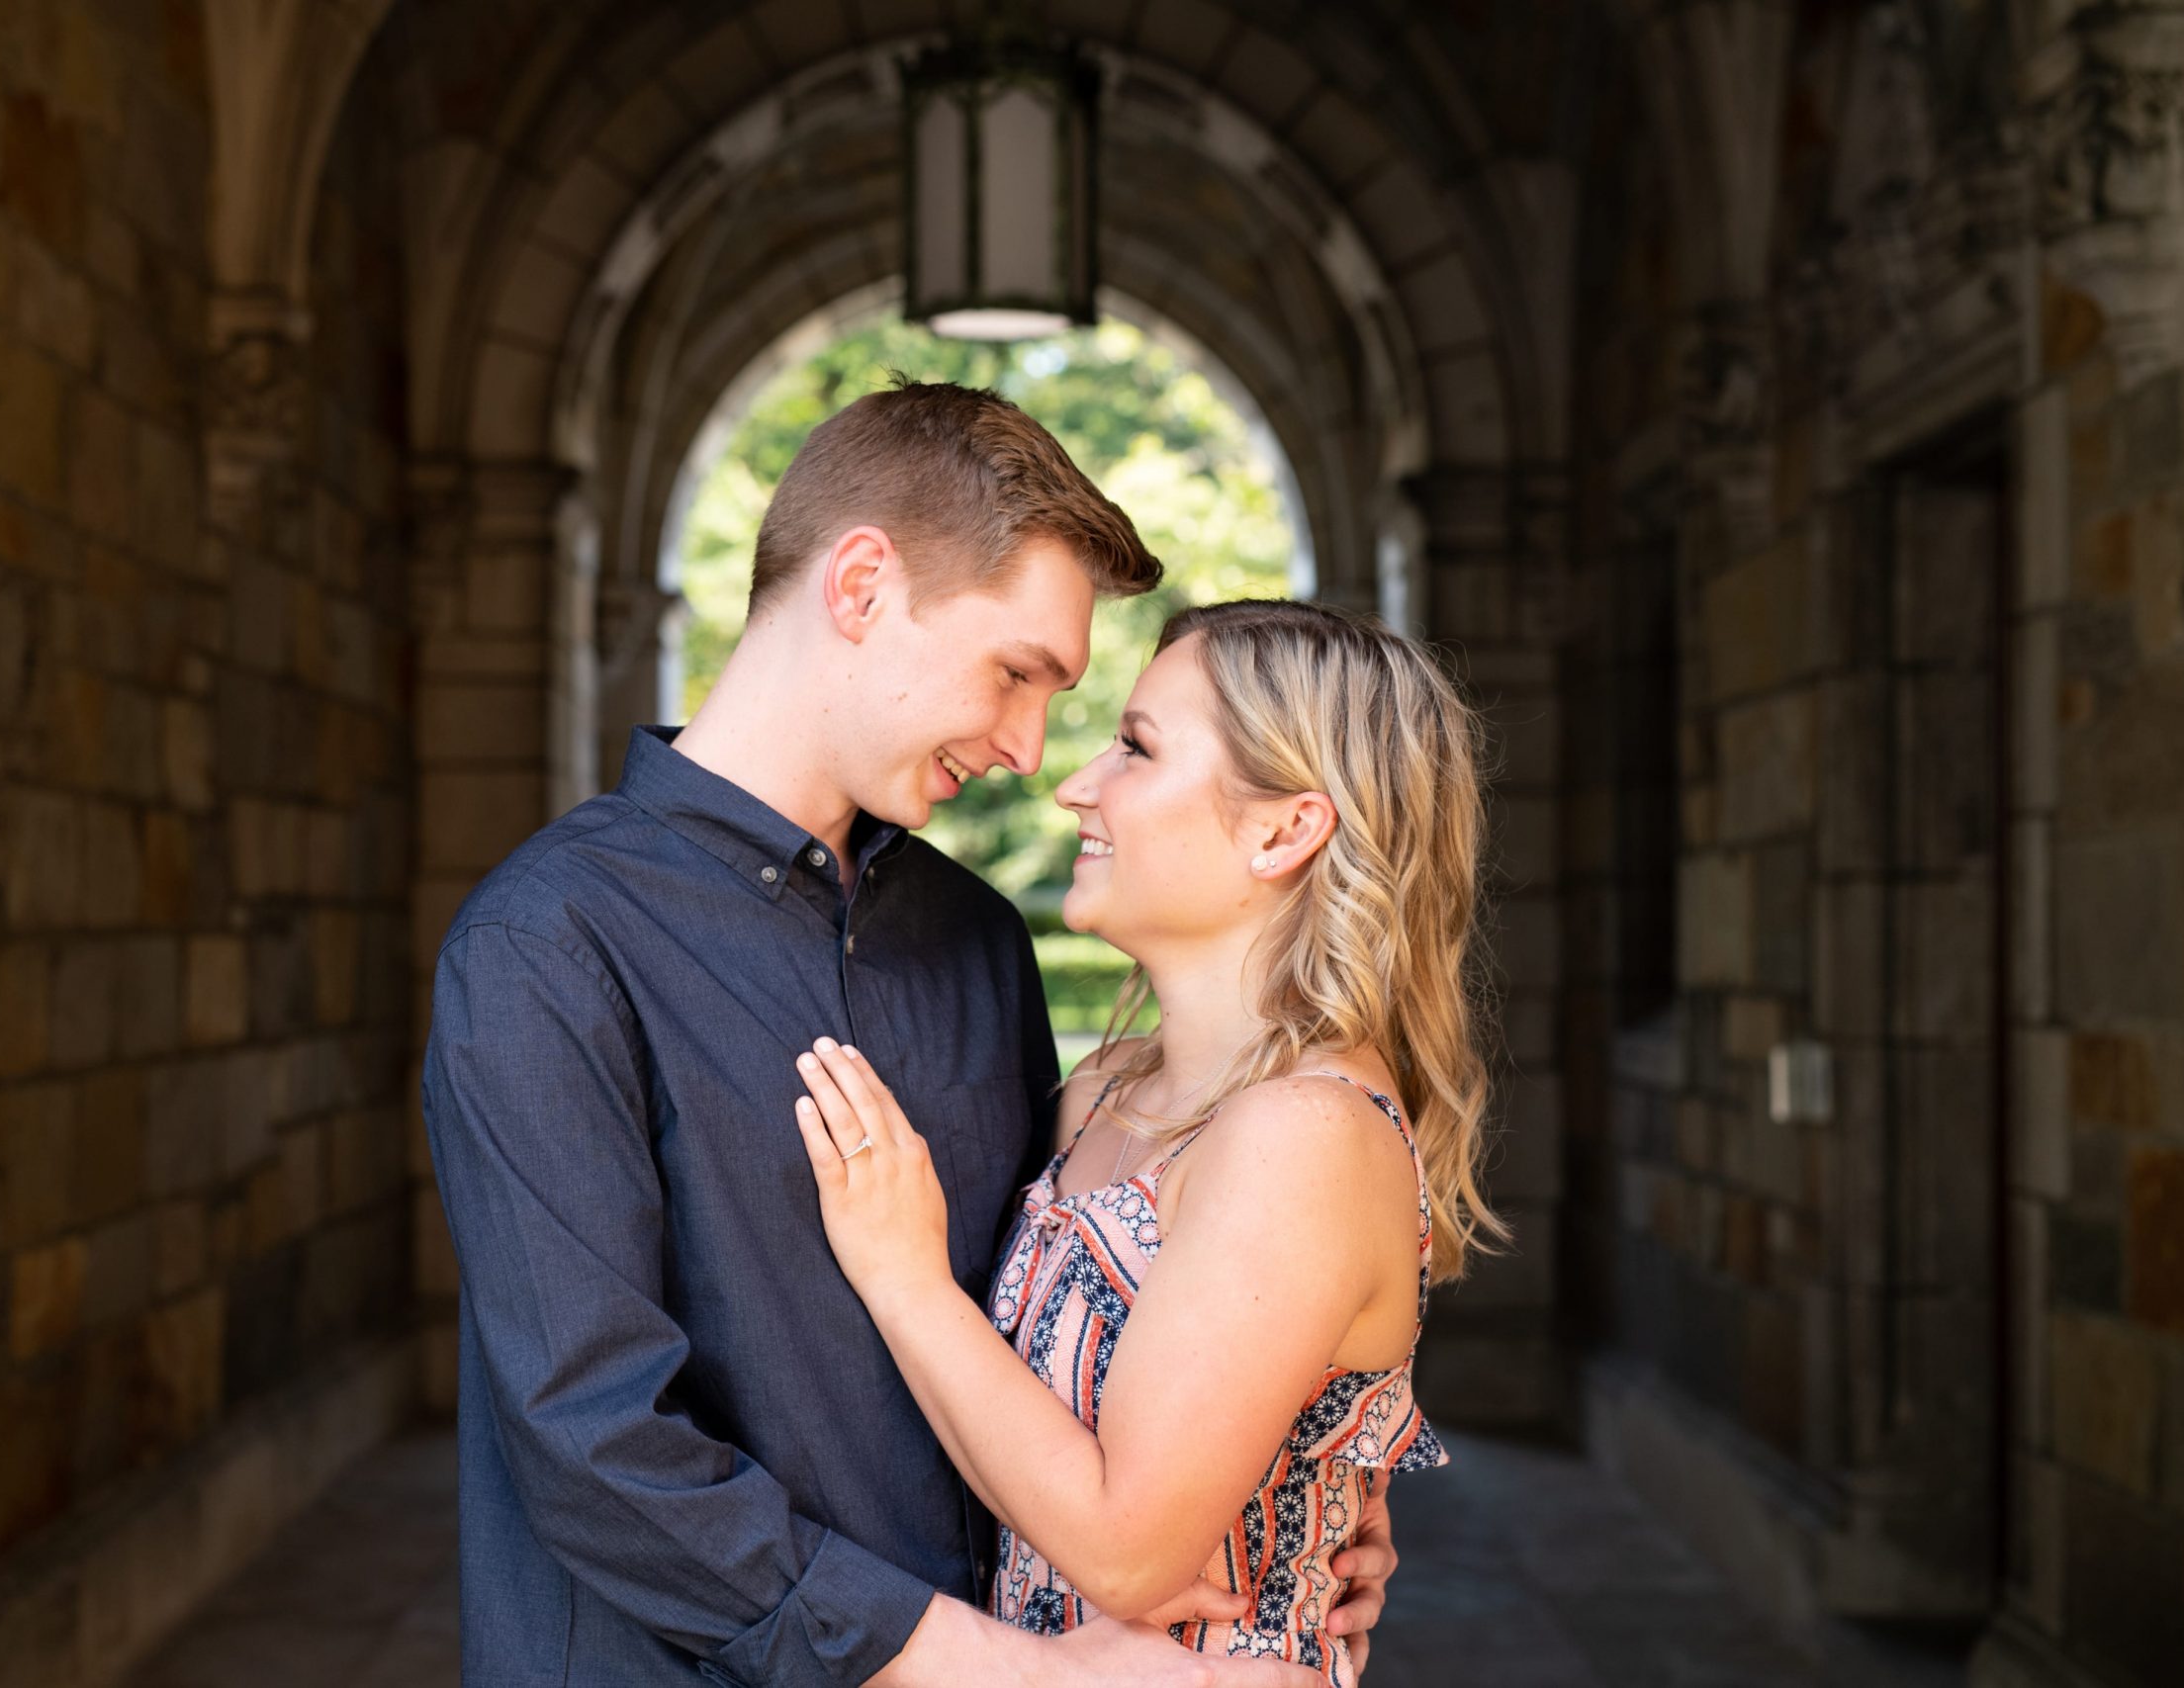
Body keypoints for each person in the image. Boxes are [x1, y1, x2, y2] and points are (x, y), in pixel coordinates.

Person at [420, 384, 1398, 1688]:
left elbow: (1064, 1317)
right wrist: (1012, 1669)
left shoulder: (977, 938)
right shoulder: (546, 940)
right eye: (1015, 673)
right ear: (863, 584)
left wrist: (1290, 1466)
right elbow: (595, 1442)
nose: (1031, 748)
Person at [786, 599, 1502, 1685]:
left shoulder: (1303, 1133)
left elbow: (1126, 1550)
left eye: (1135, 747)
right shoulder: (1105, 1092)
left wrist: (902, 1274)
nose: (1075, 784)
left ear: (1283, 829)